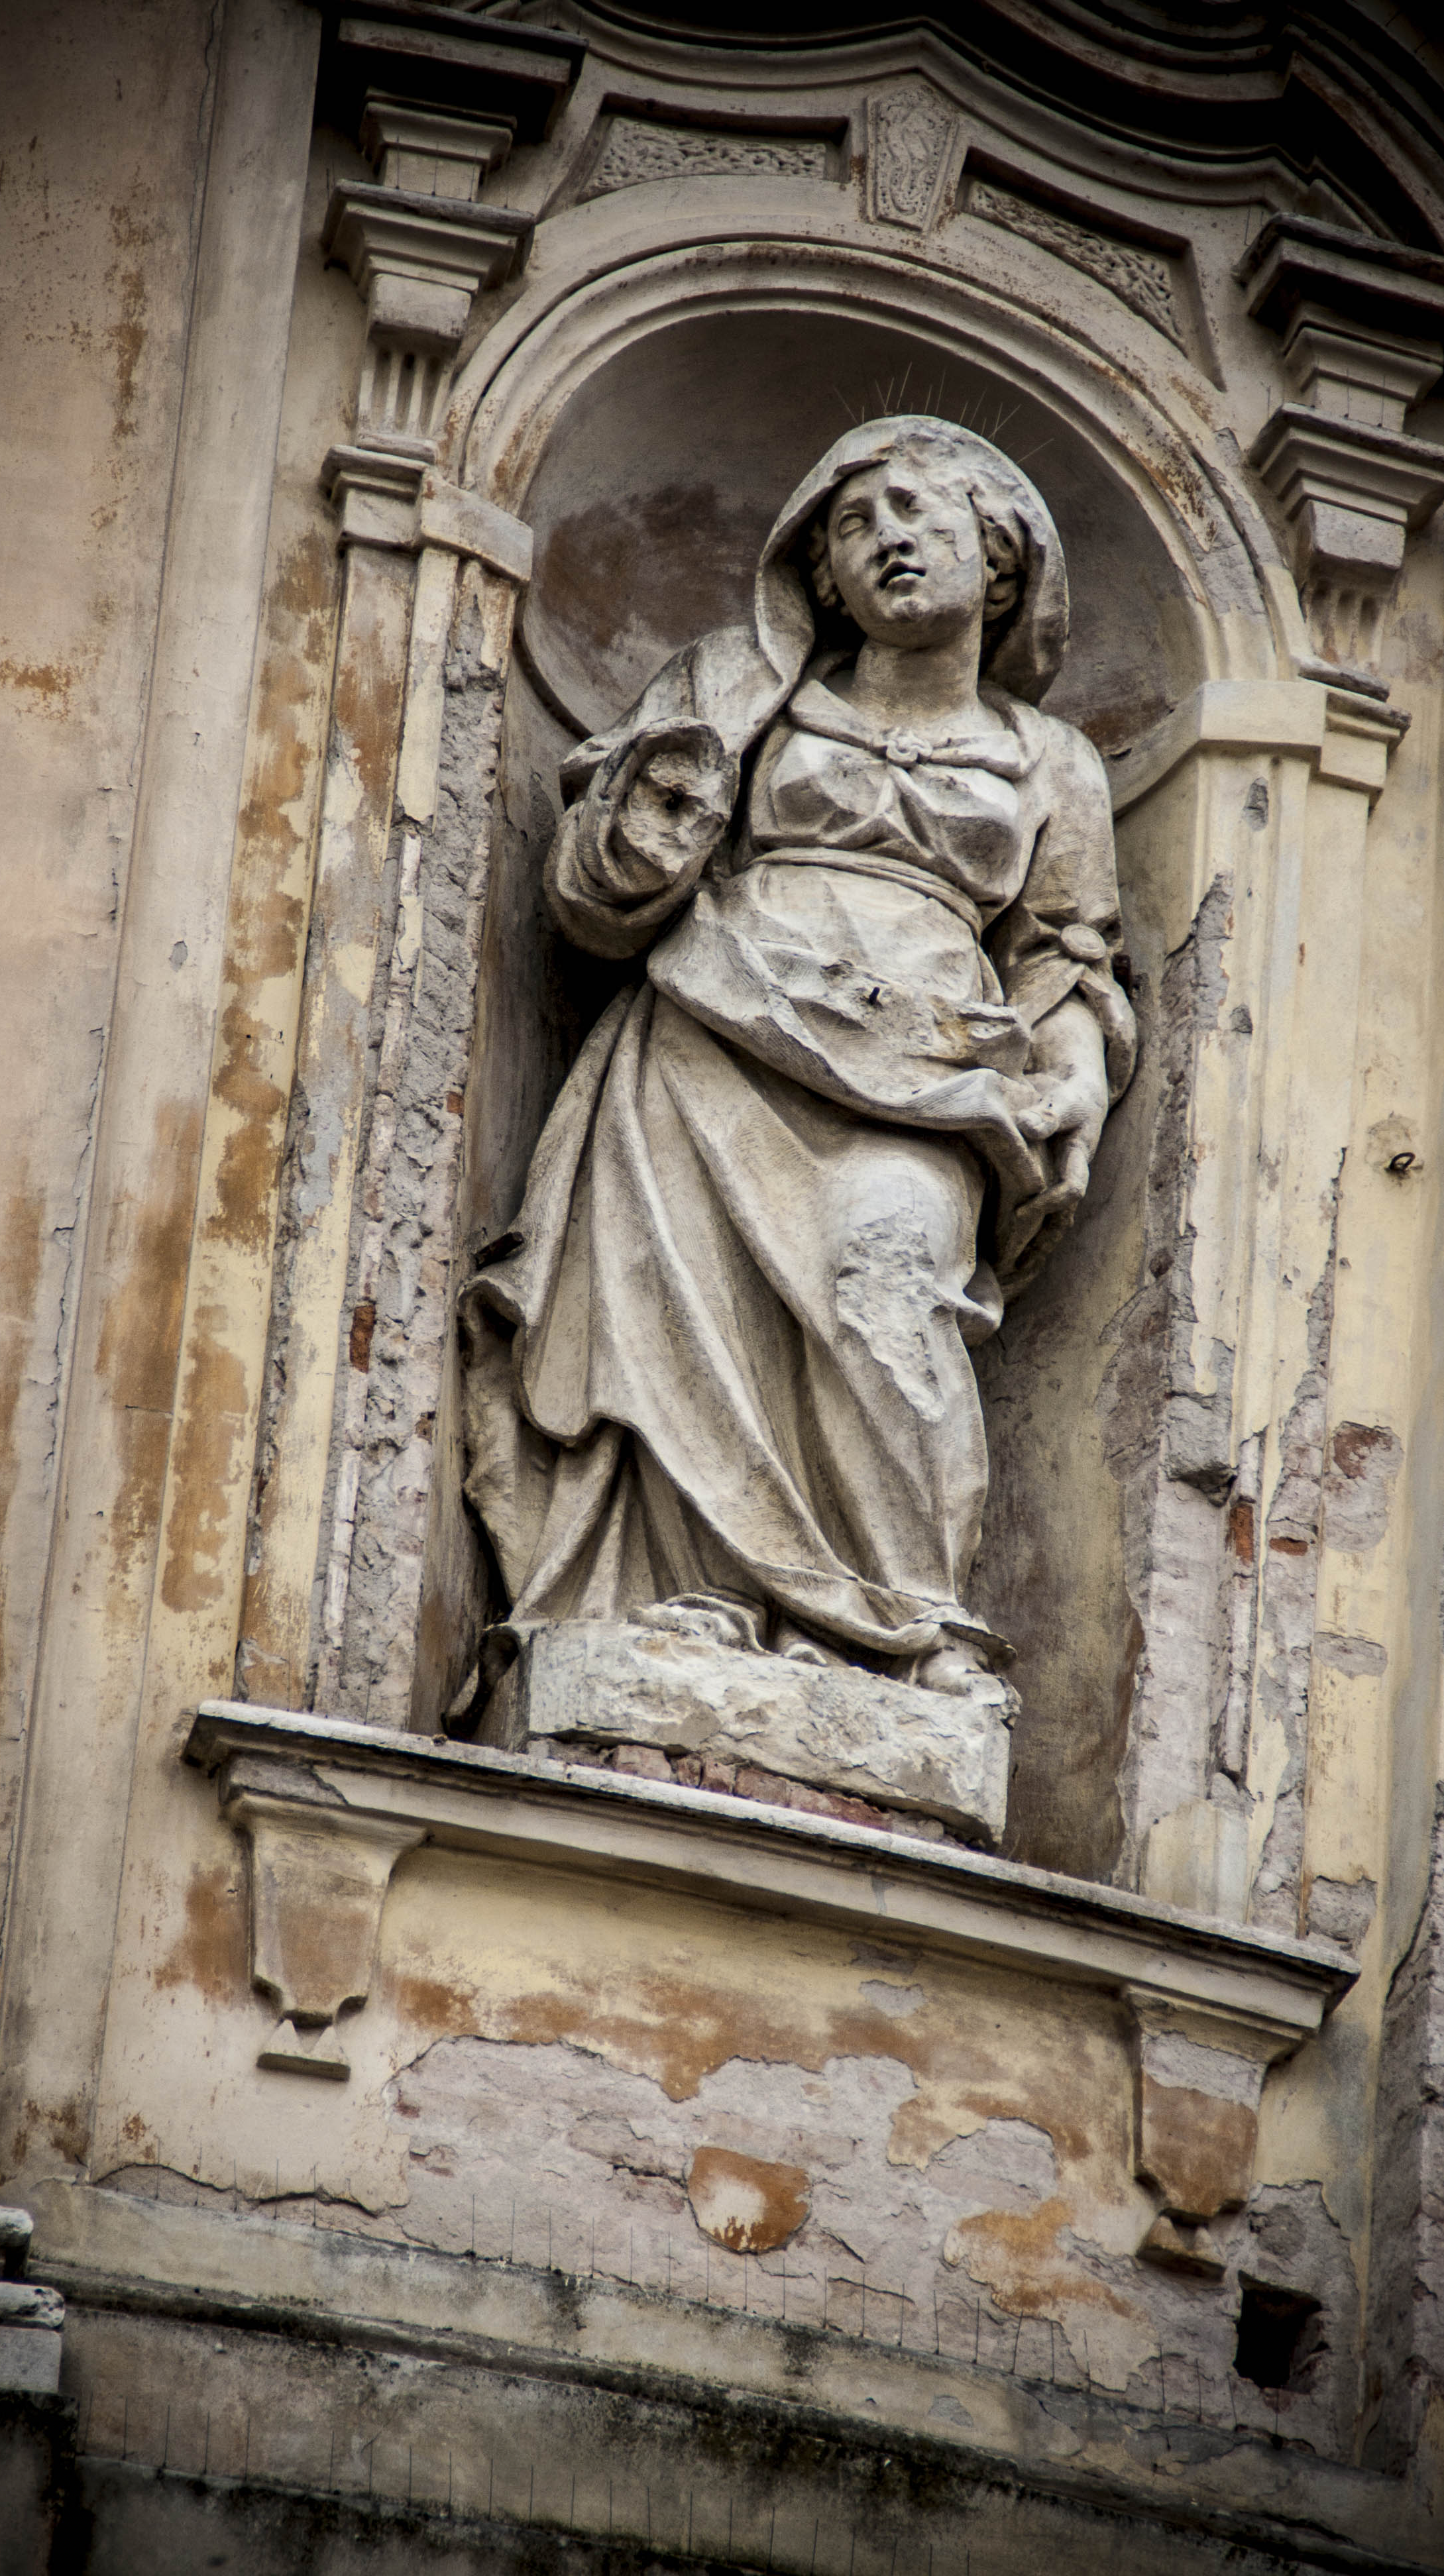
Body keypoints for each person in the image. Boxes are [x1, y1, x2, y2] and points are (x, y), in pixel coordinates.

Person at [461, 415, 1135, 1695]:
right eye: (852, 523)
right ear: (817, 573)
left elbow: (1068, 956)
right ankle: (696, 1597)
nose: (884, 539)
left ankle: (912, 1623)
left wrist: (1074, 1078)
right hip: (716, 1028)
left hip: (931, 1074)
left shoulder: (1054, 761)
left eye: (916, 515)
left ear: (997, 563)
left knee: (890, 1285)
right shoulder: (740, 688)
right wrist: (639, 838)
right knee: (688, 1316)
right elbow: (598, 897)